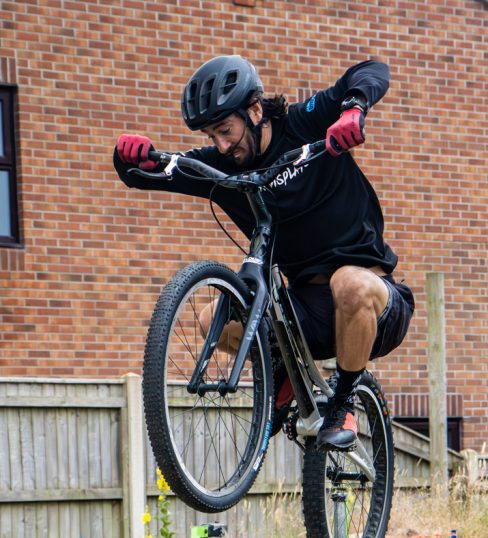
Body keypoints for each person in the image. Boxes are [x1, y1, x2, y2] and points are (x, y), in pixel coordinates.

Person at [114, 56, 413, 451]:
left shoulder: (305, 124)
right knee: (212, 321)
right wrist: (129, 158)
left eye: (226, 130)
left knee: (349, 282)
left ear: (255, 110)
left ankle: (343, 402)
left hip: (375, 304)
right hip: (307, 315)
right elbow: (150, 173)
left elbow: (371, 70)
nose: (222, 145)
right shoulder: (224, 168)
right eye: (211, 136)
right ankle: (281, 374)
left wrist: (354, 110)